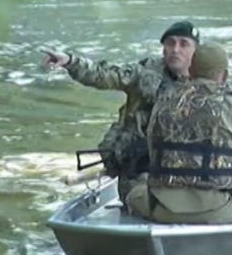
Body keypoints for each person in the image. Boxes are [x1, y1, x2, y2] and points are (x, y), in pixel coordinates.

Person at [126, 44, 232, 224]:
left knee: (134, 194)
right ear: (225, 75)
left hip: (161, 208)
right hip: (218, 209)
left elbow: (153, 155)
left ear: (191, 69)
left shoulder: (163, 101)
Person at [41, 21, 199, 203]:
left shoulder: (206, 83)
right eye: (170, 43)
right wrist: (70, 61)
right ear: (163, 48)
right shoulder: (144, 73)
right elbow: (104, 74)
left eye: (183, 44)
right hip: (138, 169)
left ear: (196, 51)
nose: (175, 49)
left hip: (180, 170)